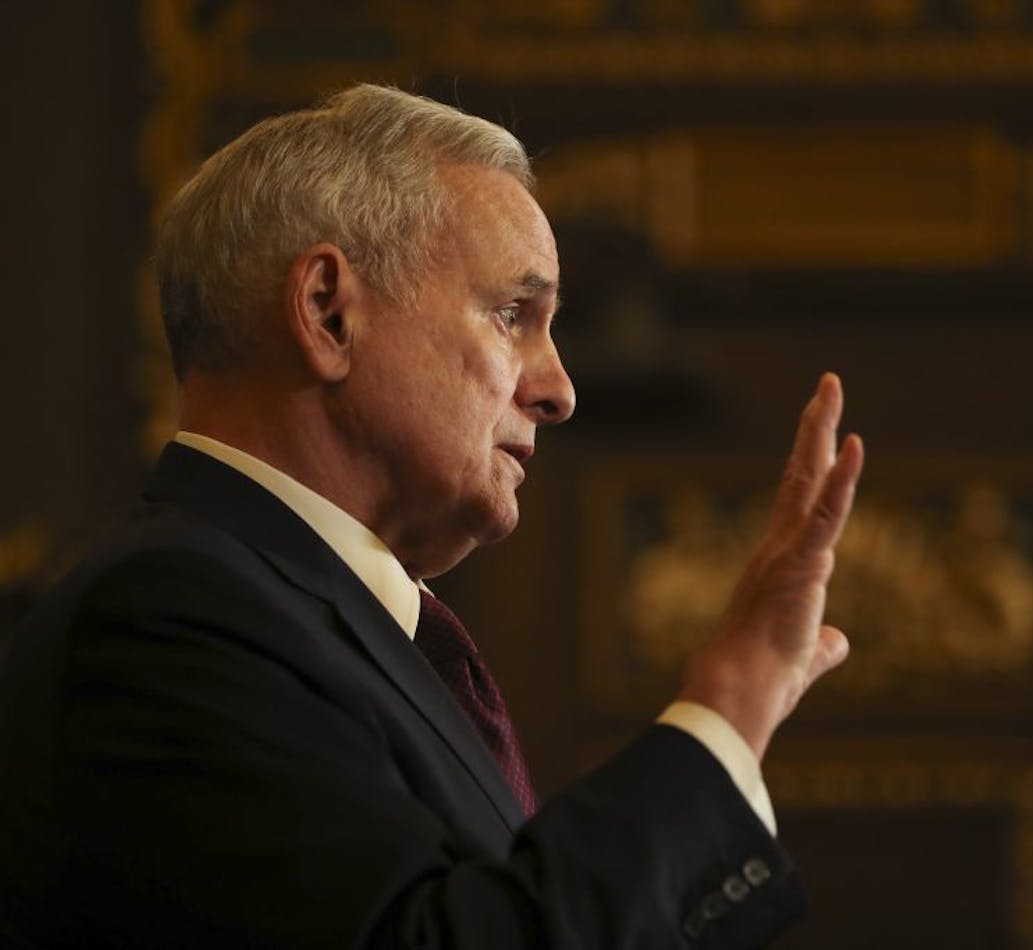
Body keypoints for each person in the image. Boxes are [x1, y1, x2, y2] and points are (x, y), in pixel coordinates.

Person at [0, 85, 864, 948]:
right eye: (511, 315)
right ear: (329, 313)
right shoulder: (169, 617)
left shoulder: (331, 627)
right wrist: (731, 696)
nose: (559, 389)